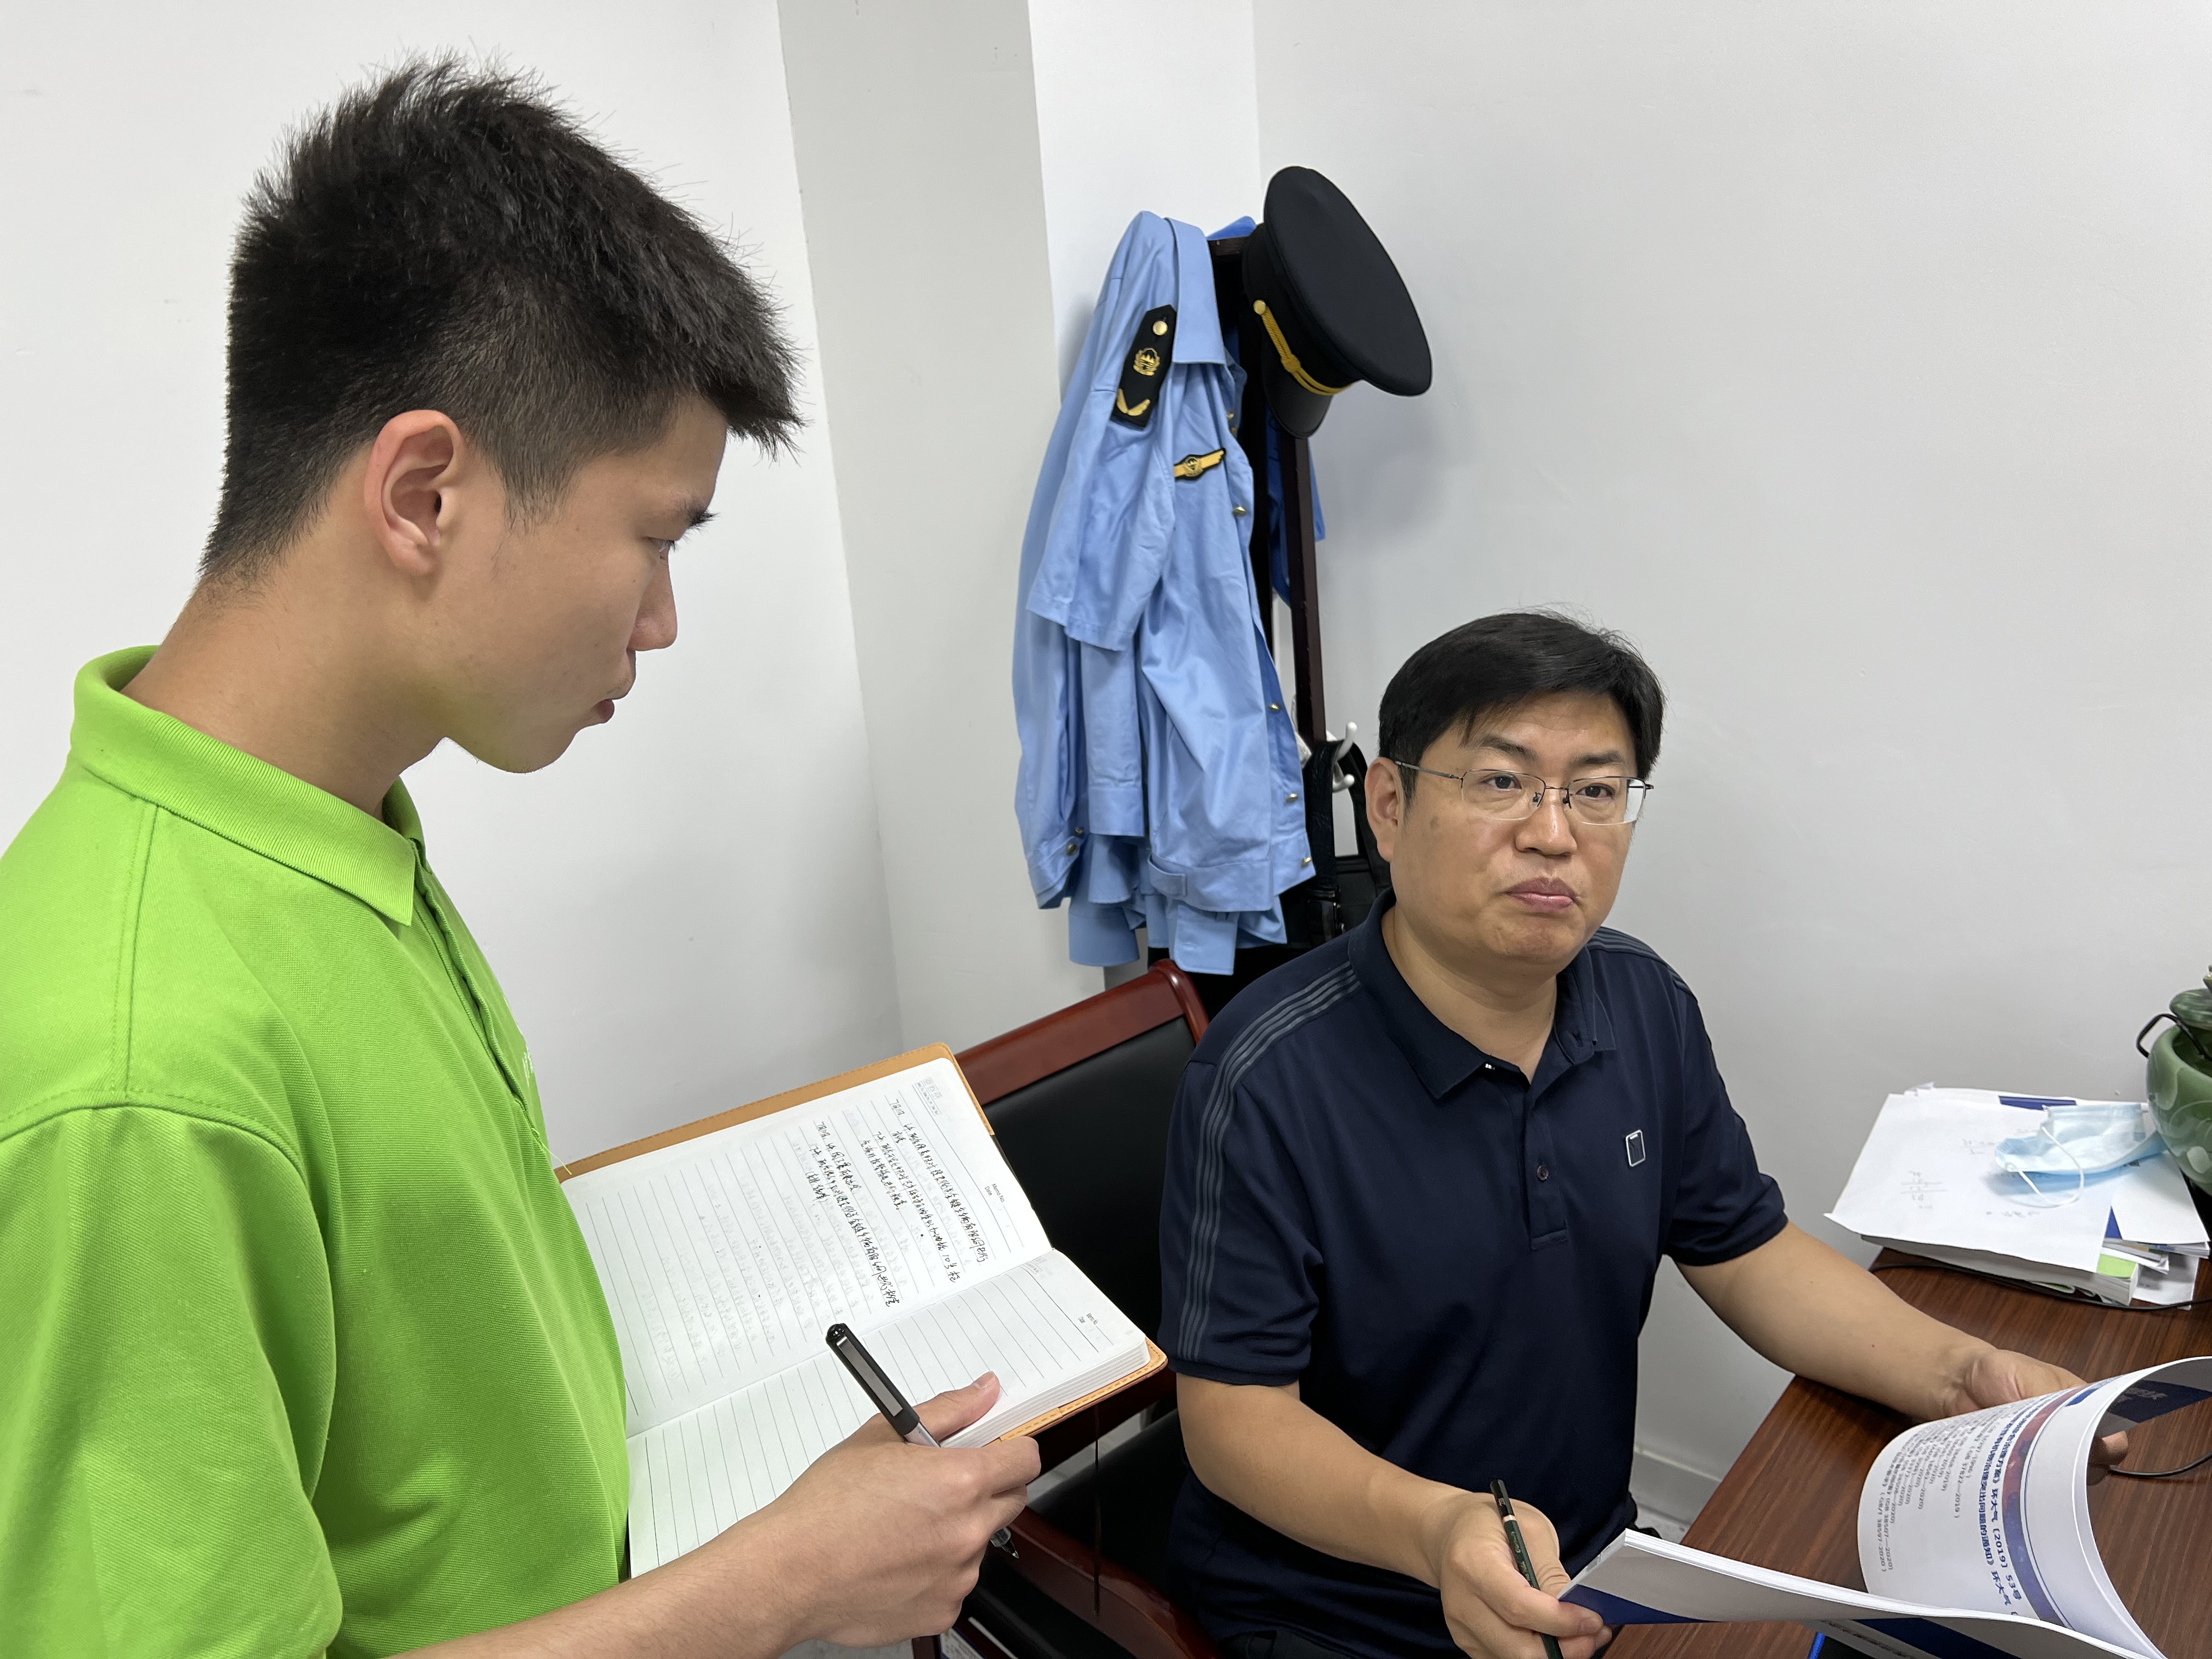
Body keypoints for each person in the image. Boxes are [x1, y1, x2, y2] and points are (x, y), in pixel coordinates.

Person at [0, 61, 1035, 1657]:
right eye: (656, 538)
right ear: (426, 493)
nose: (662, 621)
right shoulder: (136, 1073)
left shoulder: (330, 833)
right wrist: (782, 1585)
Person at [1155, 611, 2124, 1659]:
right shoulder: (1265, 1074)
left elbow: (1747, 1252)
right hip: (1342, 1605)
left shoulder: (1641, 1001)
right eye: (1502, 782)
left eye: (1597, 791)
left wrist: (1961, 1376)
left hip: (1585, 1571)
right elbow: (1233, 1420)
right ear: (1389, 806)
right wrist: (1438, 1533)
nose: (1553, 832)